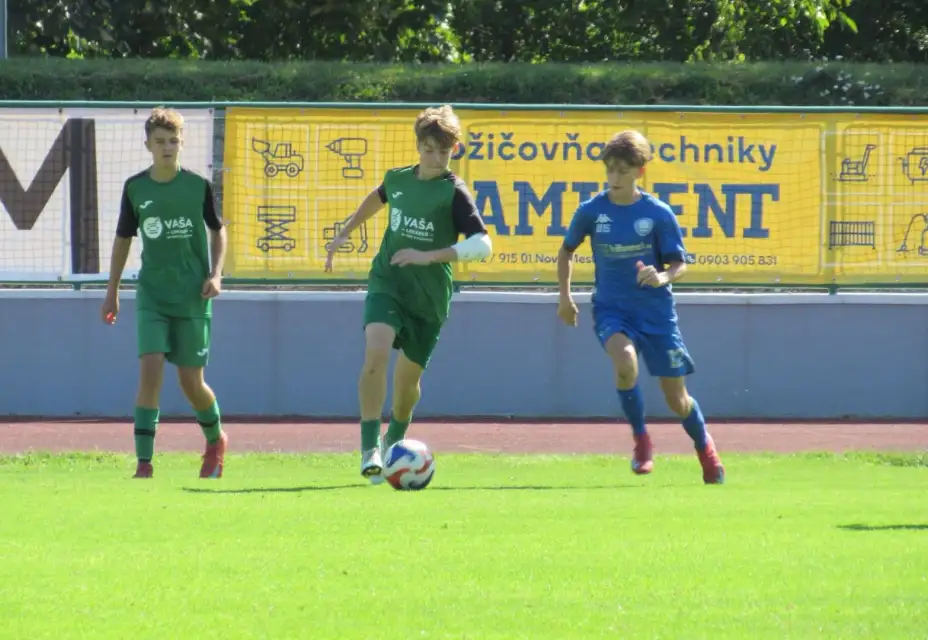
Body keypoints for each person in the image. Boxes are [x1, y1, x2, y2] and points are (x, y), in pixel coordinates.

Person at [325, 104, 493, 484]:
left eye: (444, 151)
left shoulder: (454, 192)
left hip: (429, 297)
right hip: (389, 281)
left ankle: (394, 442)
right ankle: (369, 447)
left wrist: (428, 256)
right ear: (418, 145)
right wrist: (345, 232)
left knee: (406, 386)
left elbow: (483, 245)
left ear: (455, 149)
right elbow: (379, 196)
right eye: (429, 149)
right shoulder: (398, 179)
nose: (435, 158)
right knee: (376, 353)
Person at [556, 130, 725, 484]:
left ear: (639, 172)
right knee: (625, 363)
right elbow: (566, 251)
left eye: (622, 171)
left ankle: (705, 448)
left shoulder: (658, 213)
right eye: (610, 170)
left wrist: (662, 277)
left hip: (657, 316)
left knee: (677, 400)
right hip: (611, 310)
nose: (614, 178)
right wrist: (565, 297)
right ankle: (641, 439)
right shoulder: (591, 211)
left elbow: (679, 264)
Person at [101, 106, 229, 480]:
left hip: (192, 297)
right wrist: (112, 292)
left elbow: (218, 230)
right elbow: (123, 240)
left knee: (191, 383)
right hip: (153, 296)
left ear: (182, 143)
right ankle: (144, 463)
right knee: (151, 368)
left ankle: (215, 439)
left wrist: (216, 274)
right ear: (148, 146)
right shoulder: (135, 188)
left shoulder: (197, 186)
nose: (167, 147)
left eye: (173, 141)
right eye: (160, 141)